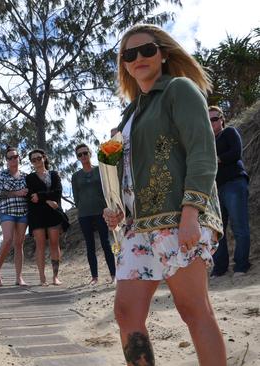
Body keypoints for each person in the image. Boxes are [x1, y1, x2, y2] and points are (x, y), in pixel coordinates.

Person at [104, 24, 226, 365]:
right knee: (126, 313)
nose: (138, 58)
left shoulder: (179, 90)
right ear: (124, 64)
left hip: (178, 217)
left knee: (194, 310)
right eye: (130, 54)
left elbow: (202, 152)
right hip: (136, 228)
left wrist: (191, 212)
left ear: (163, 53)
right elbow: (125, 174)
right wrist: (116, 209)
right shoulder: (128, 115)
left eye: (147, 50)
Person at [208, 105, 251, 278]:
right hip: (216, 189)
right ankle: (220, 268)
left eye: (215, 118)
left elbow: (236, 153)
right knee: (218, 230)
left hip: (234, 183)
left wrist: (216, 159)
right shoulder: (207, 140)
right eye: (208, 119)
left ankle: (241, 265)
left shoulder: (230, 132)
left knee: (239, 226)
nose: (212, 122)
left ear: (221, 119)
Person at [71, 144, 116, 285]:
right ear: (78, 158)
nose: (83, 156)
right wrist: (82, 206)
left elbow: (108, 189)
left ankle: (114, 275)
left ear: (90, 153)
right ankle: (94, 277)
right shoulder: (76, 176)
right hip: (84, 214)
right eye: (80, 155)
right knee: (90, 246)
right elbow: (76, 196)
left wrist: (106, 206)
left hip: (101, 212)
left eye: (85, 153)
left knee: (106, 244)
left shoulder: (100, 171)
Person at [25, 149, 64, 286]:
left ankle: (55, 276)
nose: (36, 161)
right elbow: (31, 197)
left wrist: (40, 196)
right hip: (37, 215)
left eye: (38, 158)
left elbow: (58, 192)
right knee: (40, 245)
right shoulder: (29, 178)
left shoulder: (54, 175)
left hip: (53, 214)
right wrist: (47, 199)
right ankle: (42, 278)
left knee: (54, 243)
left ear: (44, 158)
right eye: (33, 160)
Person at [0, 146, 28, 287]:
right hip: (6, 211)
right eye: (10, 157)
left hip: (23, 212)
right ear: (6, 160)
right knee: (7, 240)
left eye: (15, 156)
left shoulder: (25, 176)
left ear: (19, 158)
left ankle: (19, 277)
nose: (13, 159)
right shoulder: (1, 176)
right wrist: (16, 193)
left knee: (19, 243)